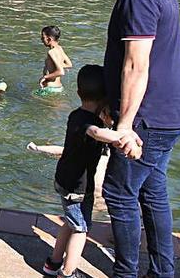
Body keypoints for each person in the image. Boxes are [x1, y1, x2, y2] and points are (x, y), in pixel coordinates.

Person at [95, 0, 180, 278]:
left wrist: (124, 125)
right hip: (169, 114)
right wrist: (112, 100)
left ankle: (125, 273)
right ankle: (162, 272)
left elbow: (136, 66)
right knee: (152, 193)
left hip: (147, 120)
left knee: (119, 194)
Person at [40, 65, 124, 278]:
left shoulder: (75, 115)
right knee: (81, 229)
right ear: (106, 97)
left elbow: (96, 132)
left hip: (67, 181)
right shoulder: (89, 123)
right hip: (76, 188)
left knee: (70, 223)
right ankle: (68, 273)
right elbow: (95, 132)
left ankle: (53, 263)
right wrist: (122, 136)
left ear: (79, 93)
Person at [38, 25, 73, 93]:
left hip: (50, 89)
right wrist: (57, 65)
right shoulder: (59, 48)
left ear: (49, 39)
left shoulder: (51, 52)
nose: (41, 40)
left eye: (43, 37)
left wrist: (45, 77)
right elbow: (69, 64)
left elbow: (61, 72)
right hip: (59, 88)